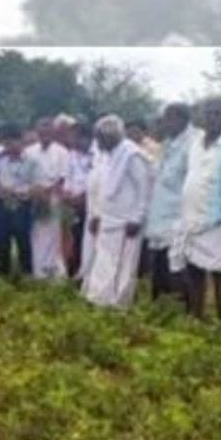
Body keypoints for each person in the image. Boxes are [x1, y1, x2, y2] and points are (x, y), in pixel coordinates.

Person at [170, 96, 221, 319]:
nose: (214, 118)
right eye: (209, 113)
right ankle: (196, 317)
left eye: (219, 113)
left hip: (220, 222)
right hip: (192, 219)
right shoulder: (196, 143)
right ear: (202, 116)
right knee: (194, 270)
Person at [81, 115, 152, 308]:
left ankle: (119, 304)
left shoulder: (133, 155)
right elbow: (103, 187)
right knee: (105, 261)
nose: (97, 143)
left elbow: (144, 189)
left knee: (124, 264)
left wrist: (137, 218)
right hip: (108, 219)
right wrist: (97, 214)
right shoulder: (109, 155)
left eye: (100, 138)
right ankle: (100, 299)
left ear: (110, 137)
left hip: (127, 222)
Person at [144, 103, 198, 301]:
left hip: (179, 217)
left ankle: (183, 308)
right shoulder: (168, 144)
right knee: (159, 265)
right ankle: (160, 306)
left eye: (168, 119)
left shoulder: (194, 144)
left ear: (181, 119)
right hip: (161, 215)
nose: (164, 124)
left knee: (178, 267)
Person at [24, 117, 70, 280]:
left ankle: (52, 271)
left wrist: (48, 192)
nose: (45, 134)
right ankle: (38, 273)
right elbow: (25, 176)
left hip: (54, 199)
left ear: (53, 132)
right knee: (35, 235)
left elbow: (63, 177)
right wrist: (37, 192)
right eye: (42, 131)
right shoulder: (29, 152)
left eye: (48, 131)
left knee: (53, 236)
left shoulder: (62, 152)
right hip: (34, 199)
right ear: (37, 132)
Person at [0, 123, 34, 277]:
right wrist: (0, 189)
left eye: (14, 141)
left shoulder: (31, 161)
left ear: (21, 141)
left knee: (23, 241)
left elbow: (37, 185)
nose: (11, 145)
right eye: (7, 142)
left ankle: (26, 275)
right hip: (2, 205)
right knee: (2, 241)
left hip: (22, 206)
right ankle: (3, 275)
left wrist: (19, 192)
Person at [63, 120, 95, 281]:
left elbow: (98, 181)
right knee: (76, 238)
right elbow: (68, 178)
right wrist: (68, 195)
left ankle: (90, 273)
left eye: (74, 137)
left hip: (93, 205)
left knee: (91, 240)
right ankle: (76, 272)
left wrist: (84, 196)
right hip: (74, 205)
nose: (71, 140)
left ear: (85, 137)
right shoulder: (71, 155)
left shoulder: (98, 154)